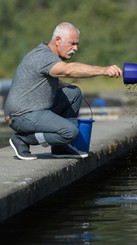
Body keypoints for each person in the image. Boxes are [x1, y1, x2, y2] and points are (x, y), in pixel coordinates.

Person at [4, 22, 122, 160]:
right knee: (70, 132)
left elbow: (46, 80)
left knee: (73, 92)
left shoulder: (49, 56)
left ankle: (59, 148)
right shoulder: (43, 56)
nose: (75, 48)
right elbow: (68, 70)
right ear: (58, 40)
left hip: (37, 110)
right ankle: (23, 139)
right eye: (72, 43)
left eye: (77, 44)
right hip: (20, 115)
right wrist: (103, 70)